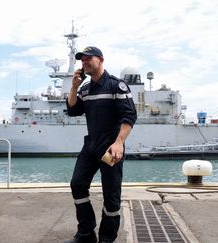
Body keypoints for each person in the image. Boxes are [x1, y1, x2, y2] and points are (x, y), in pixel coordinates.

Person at [65, 46, 137, 243]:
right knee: (77, 184)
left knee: (111, 194)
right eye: (82, 60)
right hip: (91, 145)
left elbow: (129, 115)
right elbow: (73, 110)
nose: (85, 62)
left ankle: (106, 238)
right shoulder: (85, 89)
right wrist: (73, 87)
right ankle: (86, 233)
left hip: (110, 147)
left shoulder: (116, 85)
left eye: (89, 59)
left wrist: (119, 143)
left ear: (101, 60)